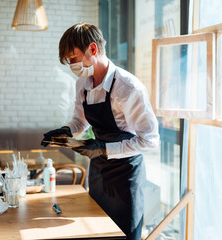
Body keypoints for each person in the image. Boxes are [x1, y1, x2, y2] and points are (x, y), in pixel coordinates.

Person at [41, 23, 159, 240]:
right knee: (94, 231)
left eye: (73, 58)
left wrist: (104, 148)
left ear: (92, 50)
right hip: (99, 170)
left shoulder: (128, 87)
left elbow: (150, 141)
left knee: (124, 235)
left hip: (126, 176)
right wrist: (66, 130)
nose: (71, 65)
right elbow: (81, 121)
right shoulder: (82, 84)